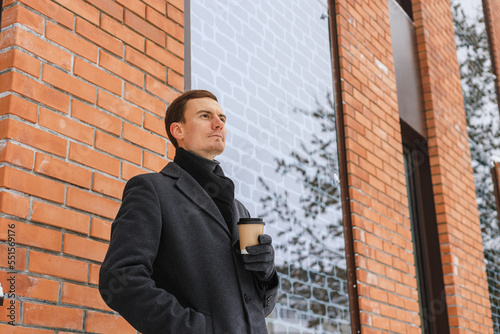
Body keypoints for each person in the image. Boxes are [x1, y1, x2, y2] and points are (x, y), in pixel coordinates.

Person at [99, 89, 278, 334]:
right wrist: (194, 329)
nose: (218, 124)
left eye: (222, 119)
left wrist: (266, 274)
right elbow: (120, 278)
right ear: (178, 131)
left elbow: (260, 307)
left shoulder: (240, 209)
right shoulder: (152, 190)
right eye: (205, 116)